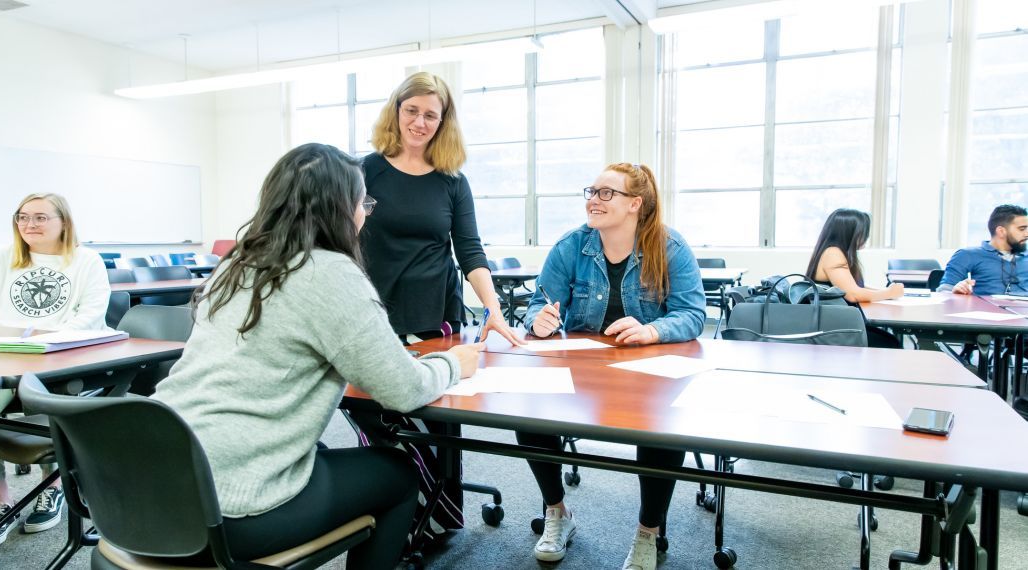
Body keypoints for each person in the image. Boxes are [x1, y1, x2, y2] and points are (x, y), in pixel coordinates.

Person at [152, 143, 483, 569]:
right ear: (342, 208)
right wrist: (455, 363)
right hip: (231, 508)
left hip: (151, 487)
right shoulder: (329, 272)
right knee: (398, 473)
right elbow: (402, 391)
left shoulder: (236, 264)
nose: (366, 213)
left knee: (325, 450)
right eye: (363, 201)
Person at [521, 163, 706, 570]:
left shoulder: (670, 247)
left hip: (652, 371)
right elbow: (539, 303)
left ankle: (648, 532)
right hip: (586, 371)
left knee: (661, 429)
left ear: (634, 204)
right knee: (530, 413)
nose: (593, 199)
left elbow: (693, 315)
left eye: (606, 193)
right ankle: (557, 512)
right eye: (591, 190)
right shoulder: (571, 246)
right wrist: (540, 320)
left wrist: (653, 330)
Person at [0, 193, 109, 548]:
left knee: (46, 399)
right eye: (22, 217)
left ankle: (51, 490)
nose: (29, 225)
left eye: (39, 218)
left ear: (63, 221)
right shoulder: (0, 258)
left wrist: (47, 342)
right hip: (3, 357)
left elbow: (91, 316)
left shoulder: (86, 261)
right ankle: (1, 503)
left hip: (59, 359)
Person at [360, 71, 521, 346]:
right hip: (371, 310)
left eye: (430, 115)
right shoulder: (364, 172)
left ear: (443, 121)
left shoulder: (453, 181)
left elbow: (470, 251)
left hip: (435, 314)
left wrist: (493, 308)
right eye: (411, 110)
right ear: (396, 110)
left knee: (443, 389)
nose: (419, 122)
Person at [805, 208, 904, 303]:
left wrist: (886, 291)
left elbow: (855, 286)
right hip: (831, 317)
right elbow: (853, 295)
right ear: (849, 233)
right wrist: (889, 293)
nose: (866, 237)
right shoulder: (833, 253)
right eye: (863, 233)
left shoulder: (837, 252)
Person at [940, 204, 1028, 295]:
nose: (1027, 234)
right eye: (1022, 229)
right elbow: (944, 291)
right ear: (1001, 231)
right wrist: (956, 290)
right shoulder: (967, 255)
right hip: (987, 308)